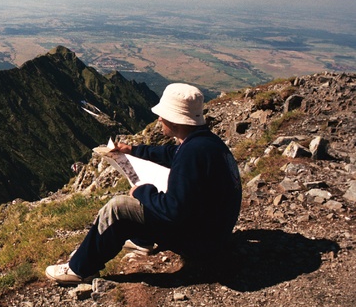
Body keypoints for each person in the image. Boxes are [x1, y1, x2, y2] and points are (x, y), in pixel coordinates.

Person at [46, 83, 242, 284]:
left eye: (163, 114)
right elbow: (171, 154)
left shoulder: (192, 153)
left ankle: (79, 269)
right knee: (149, 200)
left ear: (175, 119)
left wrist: (142, 191)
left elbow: (173, 210)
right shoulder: (205, 143)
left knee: (118, 208)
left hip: (201, 243)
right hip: (214, 232)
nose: (159, 118)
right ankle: (143, 240)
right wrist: (132, 150)